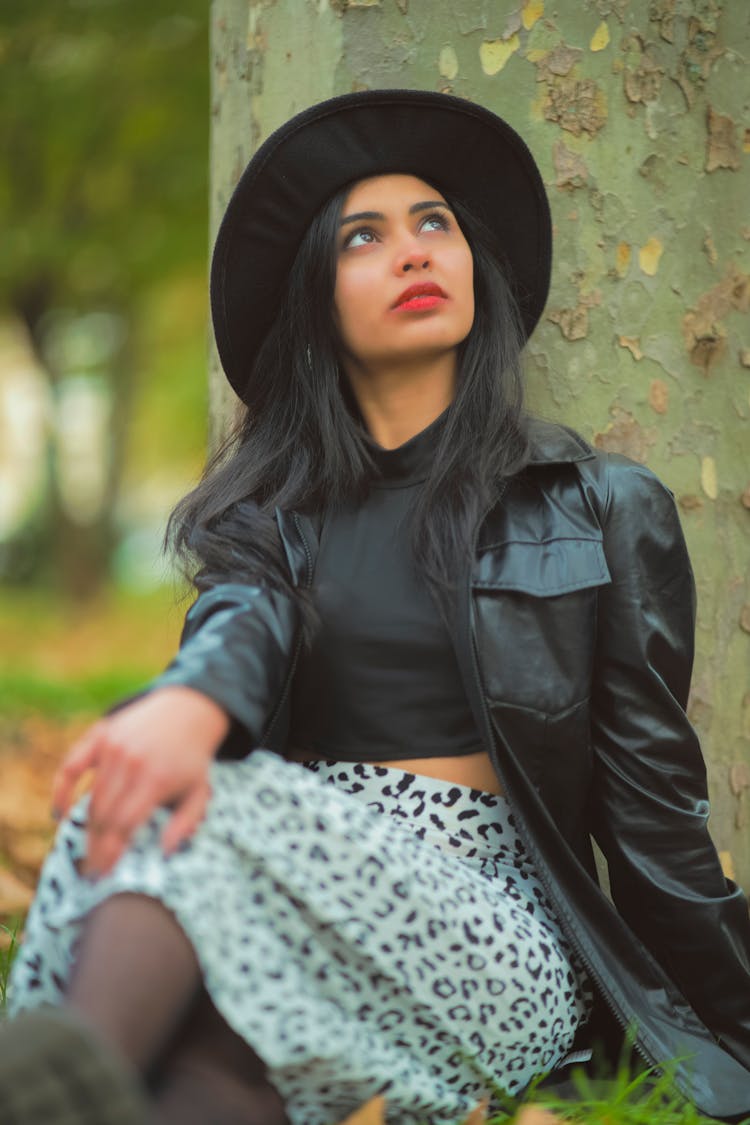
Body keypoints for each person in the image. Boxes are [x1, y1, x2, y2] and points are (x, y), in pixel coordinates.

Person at [4, 89, 750, 1125]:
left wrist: (734, 1028)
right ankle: (69, 1090)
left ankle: (59, 1058)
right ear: (317, 298)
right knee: (203, 1068)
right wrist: (189, 701)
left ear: (474, 266)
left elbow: (658, 817)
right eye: (366, 236)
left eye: (434, 223)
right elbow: (241, 630)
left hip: (495, 929)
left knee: (192, 802)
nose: (414, 252)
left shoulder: (600, 507)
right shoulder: (270, 518)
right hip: (286, 888)